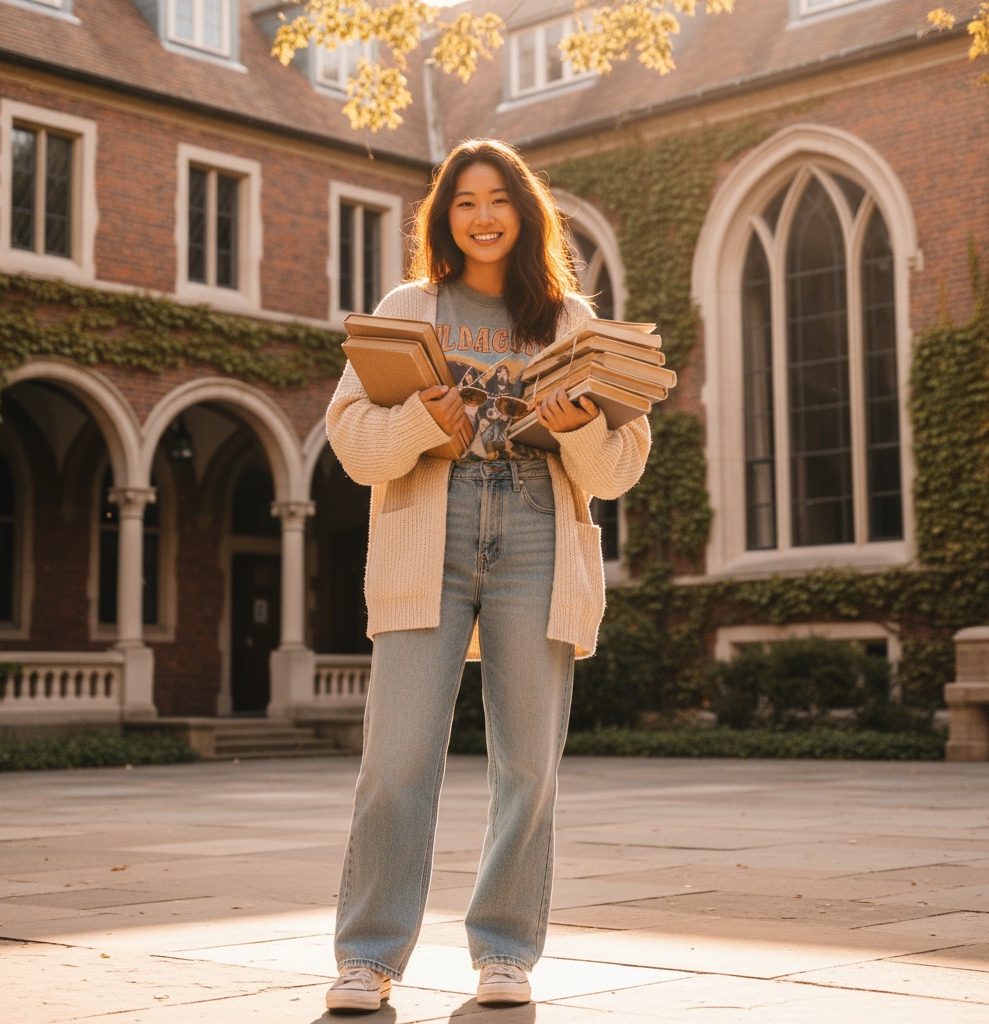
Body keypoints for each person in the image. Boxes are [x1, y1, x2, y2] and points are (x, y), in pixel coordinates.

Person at [324, 138, 650, 1013]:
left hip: (538, 533)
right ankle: (368, 955)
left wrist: (579, 426)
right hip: (428, 530)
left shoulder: (573, 321)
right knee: (395, 761)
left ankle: (506, 949)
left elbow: (619, 467)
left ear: (525, 210)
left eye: (497, 198)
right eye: (463, 201)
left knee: (529, 764)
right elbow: (352, 442)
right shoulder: (409, 306)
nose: (482, 216)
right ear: (444, 216)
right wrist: (424, 424)